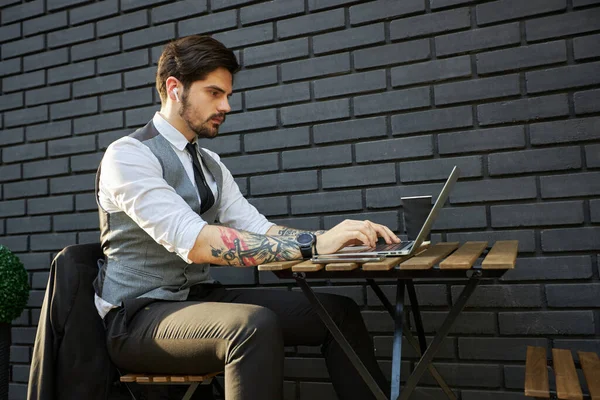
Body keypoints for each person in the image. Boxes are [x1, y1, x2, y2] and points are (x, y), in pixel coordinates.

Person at [95, 34, 400, 400]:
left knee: (338, 313)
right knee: (252, 326)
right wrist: (314, 245)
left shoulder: (210, 165)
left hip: (196, 298)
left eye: (228, 94)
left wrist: (334, 238)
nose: (227, 105)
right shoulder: (128, 156)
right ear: (175, 89)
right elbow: (197, 243)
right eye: (214, 93)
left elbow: (260, 229)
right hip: (137, 317)